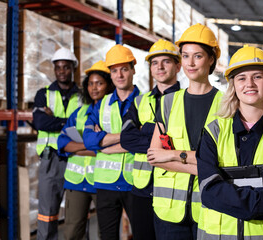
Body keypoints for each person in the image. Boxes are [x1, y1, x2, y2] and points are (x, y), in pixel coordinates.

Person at [196, 45, 263, 240]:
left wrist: (229, 194)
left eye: (257, 76)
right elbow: (209, 191)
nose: (249, 84)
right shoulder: (213, 131)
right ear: (233, 86)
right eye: (241, 78)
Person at [146, 23, 223, 240]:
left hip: (210, 209)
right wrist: (202, 166)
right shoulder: (168, 102)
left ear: (211, 59)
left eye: (198, 56)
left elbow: (226, 164)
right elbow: (153, 156)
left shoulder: (226, 106)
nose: (190, 63)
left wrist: (173, 155)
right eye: (185, 55)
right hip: (168, 212)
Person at [120, 39, 181, 240]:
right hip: (142, 189)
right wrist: (162, 138)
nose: (160, 67)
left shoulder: (187, 100)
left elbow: (187, 142)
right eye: (155, 62)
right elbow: (127, 139)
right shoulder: (139, 101)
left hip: (176, 190)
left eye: (166, 61)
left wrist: (145, 129)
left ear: (178, 65)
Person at [83, 45, 139, 240]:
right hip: (105, 183)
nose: (120, 75)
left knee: (143, 235)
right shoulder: (101, 104)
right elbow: (89, 140)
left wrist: (106, 141)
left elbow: (144, 141)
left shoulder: (145, 101)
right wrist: (127, 137)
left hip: (136, 182)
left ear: (133, 69)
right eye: (114, 70)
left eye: (124, 69)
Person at [57, 60, 115, 240]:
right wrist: (93, 144)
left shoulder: (114, 112)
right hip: (76, 182)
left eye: (99, 83)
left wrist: (79, 147)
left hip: (103, 181)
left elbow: (117, 147)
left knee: (105, 232)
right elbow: (62, 142)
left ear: (109, 85)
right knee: (72, 232)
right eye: (90, 83)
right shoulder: (79, 113)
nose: (94, 88)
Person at [33, 47, 81, 240]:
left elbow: (85, 126)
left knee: (77, 213)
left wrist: (56, 120)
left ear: (73, 69)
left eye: (66, 67)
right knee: (47, 214)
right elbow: (40, 122)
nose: (62, 71)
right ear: (54, 70)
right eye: (58, 67)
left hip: (77, 158)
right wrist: (67, 122)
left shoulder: (83, 96)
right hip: (50, 159)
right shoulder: (43, 94)